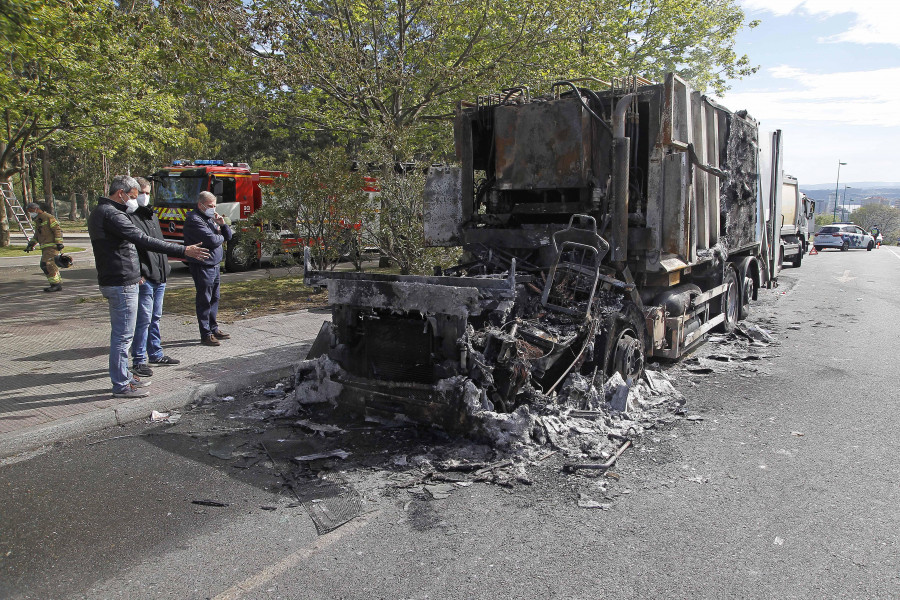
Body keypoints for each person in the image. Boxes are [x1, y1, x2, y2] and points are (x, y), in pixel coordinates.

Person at [88, 175, 210, 398]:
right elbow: (142, 239)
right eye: (133, 196)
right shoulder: (112, 214)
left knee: (124, 334)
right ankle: (121, 385)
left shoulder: (105, 212)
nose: (135, 200)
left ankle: (125, 377)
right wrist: (183, 250)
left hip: (118, 280)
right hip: (121, 281)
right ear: (121, 193)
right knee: (123, 337)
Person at [127, 177, 180, 379]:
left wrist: (165, 268)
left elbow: (160, 244)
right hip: (145, 277)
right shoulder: (129, 217)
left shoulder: (152, 215)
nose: (145, 196)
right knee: (143, 320)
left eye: (148, 192)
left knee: (155, 318)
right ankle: (139, 360)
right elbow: (131, 249)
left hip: (160, 275)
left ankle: (155, 354)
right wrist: (138, 272)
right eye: (141, 192)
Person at [182, 190, 232, 346]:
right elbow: (212, 240)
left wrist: (223, 226)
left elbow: (228, 237)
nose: (213, 209)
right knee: (204, 299)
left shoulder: (210, 218)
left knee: (215, 298)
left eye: (215, 205)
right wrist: (220, 236)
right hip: (202, 265)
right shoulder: (194, 219)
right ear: (200, 205)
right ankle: (205, 334)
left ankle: (213, 327)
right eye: (210, 206)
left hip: (215, 265)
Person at [24, 202, 64, 292]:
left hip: (52, 246)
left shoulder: (48, 217)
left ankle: (56, 284)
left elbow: (57, 230)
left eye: (31, 211)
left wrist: (59, 243)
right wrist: (30, 245)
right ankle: (56, 284)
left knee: (46, 265)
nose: (30, 213)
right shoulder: (38, 220)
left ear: (36, 209)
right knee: (50, 265)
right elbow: (37, 235)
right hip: (45, 247)